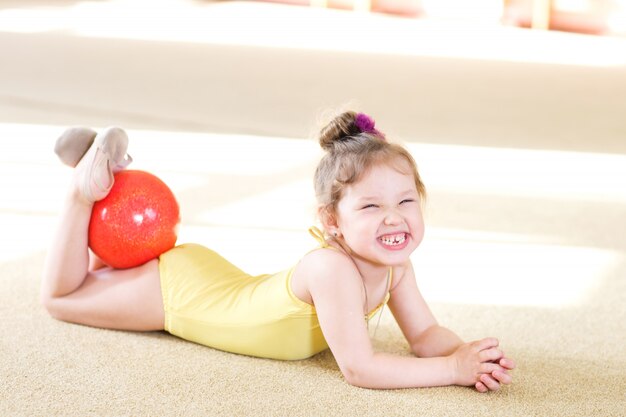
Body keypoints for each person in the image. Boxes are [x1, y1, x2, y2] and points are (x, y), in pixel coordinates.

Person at [41, 111, 515, 391]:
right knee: (62, 298)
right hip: (180, 296)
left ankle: (102, 169)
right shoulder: (332, 268)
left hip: (208, 276)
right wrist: (450, 371)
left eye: (406, 200)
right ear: (332, 223)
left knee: (103, 276)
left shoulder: (397, 268)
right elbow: (360, 367)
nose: (394, 217)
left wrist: (465, 353)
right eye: (371, 206)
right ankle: (81, 193)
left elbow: (425, 333)